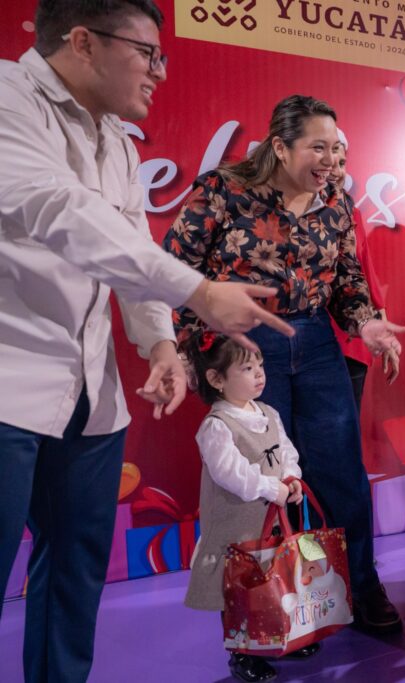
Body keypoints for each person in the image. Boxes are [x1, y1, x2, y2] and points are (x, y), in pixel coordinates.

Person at [0, 2, 291, 680]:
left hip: (89, 393)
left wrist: (160, 341)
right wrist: (199, 292)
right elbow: (58, 210)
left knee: (75, 573)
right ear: (82, 42)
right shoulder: (10, 98)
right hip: (10, 383)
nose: (159, 72)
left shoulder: (117, 140)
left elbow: (130, 248)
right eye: (147, 53)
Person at [163, 94, 405, 633]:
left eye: (335, 148)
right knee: (264, 480)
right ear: (280, 146)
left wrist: (366, 323)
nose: (330, 159)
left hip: (315, 341)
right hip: (243, 342)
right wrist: (186, 350)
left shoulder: (335, 201)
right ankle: (269, 608)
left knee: (340, 475)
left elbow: (347, 281)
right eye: (318, 147)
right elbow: (174, 269)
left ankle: (358, 586)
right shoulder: (223, 190)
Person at [181, 332, 312, 683]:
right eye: (247, 368)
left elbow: (286, 451)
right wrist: (271, 488)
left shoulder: (268, 412)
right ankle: (243, 654)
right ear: (216, 379)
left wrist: (291, 478)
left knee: (276, 579)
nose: (259, 374)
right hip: (236, 527)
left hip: (270, 521)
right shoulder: (216, 426)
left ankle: (284, 635)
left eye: (260, 366)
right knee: (240, 591)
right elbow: (231, 473)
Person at [328, 131, 399, 397]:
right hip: (308, 342)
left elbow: (365, 272)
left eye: (341, 163)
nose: (336, 171)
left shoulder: (350, 211)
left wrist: (384, 331)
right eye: (328, 162)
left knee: (346, 422)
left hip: (352, 341)